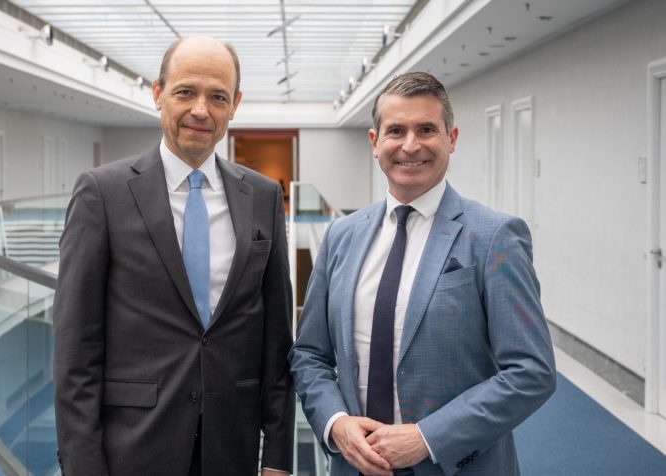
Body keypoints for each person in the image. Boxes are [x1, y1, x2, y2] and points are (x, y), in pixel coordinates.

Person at [289, 72, 556, 476]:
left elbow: (531, 371)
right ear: (375, 142)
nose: (410, 145)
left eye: (426, 129)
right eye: (396, 130)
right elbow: (309, 354)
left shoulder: (494, 237)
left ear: (452, 138)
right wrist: (335, 424)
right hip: (354, 465)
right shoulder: (341, 237)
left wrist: (427, 437)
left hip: (457, 465)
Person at [53, 36, 294, 476]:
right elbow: (75, 348)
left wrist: (278, 456)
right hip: (133, 446)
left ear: (235, 104)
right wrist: (82, 464)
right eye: (186, 92)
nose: (201, 110)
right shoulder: (102, 193)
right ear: (158, 93)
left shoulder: (262, 196)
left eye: (217, 96)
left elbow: (276, 340)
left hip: (232, 447)